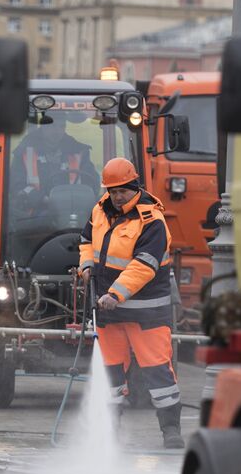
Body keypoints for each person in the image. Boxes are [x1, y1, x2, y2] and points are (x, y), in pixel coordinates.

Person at [78, 157, 184, 449]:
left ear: (135, 186)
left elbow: (144, 265)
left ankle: (171, 431)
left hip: (145, 313)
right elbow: (86, 240)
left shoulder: (152, 221)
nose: (116, 196)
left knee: (158, 373)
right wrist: (86, 265)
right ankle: (110, 431)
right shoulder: (99, 210)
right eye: (112, 191)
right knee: (111, 372)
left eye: (121, 191)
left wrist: (115, 294)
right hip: (109, 313)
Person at [11, 116, 99, 203]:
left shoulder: (78, 152)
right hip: (33, 211)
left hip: (72, 209)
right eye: (52, 126)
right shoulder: (24, 152)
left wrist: (78, 198)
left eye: (62, 126)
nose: (57, 131)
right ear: (43, 127)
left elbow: (92, 182)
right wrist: (41, 199)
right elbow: (15, 185)